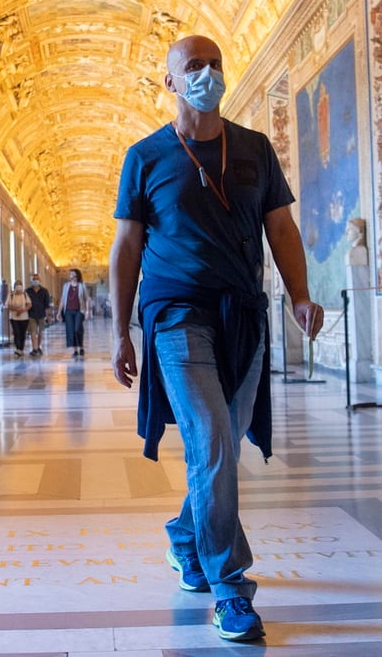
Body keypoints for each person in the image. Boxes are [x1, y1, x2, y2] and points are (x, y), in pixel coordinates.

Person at [110, 34, 323, 644]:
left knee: (222, 444)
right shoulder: (146, 156)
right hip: (176, 313)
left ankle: (184, 534)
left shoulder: (254, 148)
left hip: (243, 315)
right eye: (193, 66)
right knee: (211, 441)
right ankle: (230, 588)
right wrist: (124, 330)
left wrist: (300, 296)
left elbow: (280, 228)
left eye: (214, 63)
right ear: (171, 82)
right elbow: (126, 246)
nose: (208, 73)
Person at [59, 268, 91, 357]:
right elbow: (62, 299)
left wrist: (88, 311)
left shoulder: (82, 286)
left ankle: (81, 347)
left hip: (79, 311)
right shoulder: (66, 286)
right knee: (70, 330)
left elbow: (87, 299)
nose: (71, 276)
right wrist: (59, 312)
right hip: (68, 311)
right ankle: (75, 350)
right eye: (70, 274)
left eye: (73, 274)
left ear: (77, 276)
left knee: (77, 329)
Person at [25, 273, 50, 356]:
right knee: (33, 332)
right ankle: (35, 349)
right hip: (31, 314)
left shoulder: (44, 291)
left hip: (41, 314)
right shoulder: (27, 291)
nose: (35, 281)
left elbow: (47, 305)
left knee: (40, 332)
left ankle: (38, 347)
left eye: (37, 279)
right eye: (34, 279)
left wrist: (48, 316)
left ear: (39, 280)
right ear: (31, 281)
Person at [6, 279, 31, 357]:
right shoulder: (11, 295)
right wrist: (16, 310)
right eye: (17, 285)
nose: (18, 287)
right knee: (16, 333)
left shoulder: (25, 294)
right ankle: (18, 349)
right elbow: (8, 305)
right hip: (14, 317)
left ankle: (21, 349)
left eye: (20, 285)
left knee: (22, 334)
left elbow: (29, 305)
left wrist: (22, 310)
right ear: (14, 287)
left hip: (24, 317)